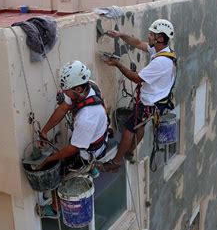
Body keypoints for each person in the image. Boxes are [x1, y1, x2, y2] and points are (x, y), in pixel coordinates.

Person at [101, 19, 177, 172]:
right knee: (139, 125)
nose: (148, 36)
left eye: (152, 34)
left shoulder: (161, 62)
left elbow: (136, 78)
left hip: (150, 103)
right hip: (156, 101)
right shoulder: (163, 51)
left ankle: (115, 162)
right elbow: (137, 43)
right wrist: (120, 35)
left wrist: (118, 64)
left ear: (160, 38)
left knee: (129, 129)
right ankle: (130, 150)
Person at [37, 60, 108, 217]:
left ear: (78, 89)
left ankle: (55, 209)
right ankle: (92, 168)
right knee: (78, 139)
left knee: (57, 171)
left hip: (91, 148)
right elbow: (63, 108)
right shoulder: (89, 86)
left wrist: (49, 160)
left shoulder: (87, 117)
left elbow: (73, 148)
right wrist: (44, 131)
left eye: (66, 90)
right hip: (98, 135)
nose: (64, 93)